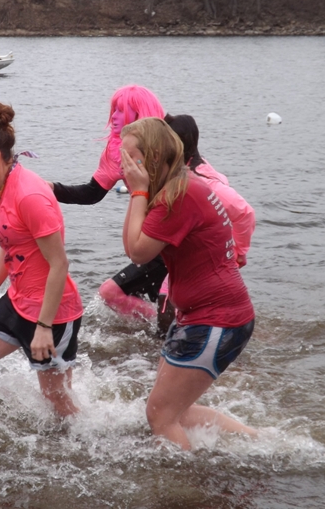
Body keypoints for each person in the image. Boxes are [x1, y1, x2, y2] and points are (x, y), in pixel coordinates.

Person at [120, 117, 256, 450]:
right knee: (174, 410)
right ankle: (263, 443)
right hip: (201, 315)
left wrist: (137, 190)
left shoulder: (178, 195)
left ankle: (186, 477)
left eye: (130, 158)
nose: (124, 165)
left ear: (153, 157)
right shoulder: (177, 186)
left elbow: (138, 252)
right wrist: (139, 192)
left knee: (160, 415)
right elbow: (131, 245)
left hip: (216, 319)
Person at [0, 102, 83, 417]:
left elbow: (59, 264)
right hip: (17, 300)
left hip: (52, 313)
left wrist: (43, 327)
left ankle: (88, 442)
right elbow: (9, 244)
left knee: (58, 403)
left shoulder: (30, 196)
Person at [49, 85, 166, 320]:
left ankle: (162, 325)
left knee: (111, 292)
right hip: (150, 237)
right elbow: (92, 193)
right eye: (113, 111)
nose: (113, 117)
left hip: (169, 237)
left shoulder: (169, 149)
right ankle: (156, 328)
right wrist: (52, 189)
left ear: (139, 114)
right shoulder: (115, 152)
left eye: (120, 111)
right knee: (133, 296)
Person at [155, 113, 256, 336]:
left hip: (204, 259)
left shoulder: (203, 183)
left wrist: (238, 252)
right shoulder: (199, 166)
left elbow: (245, 212)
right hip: (197, 256)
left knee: (166, 303)